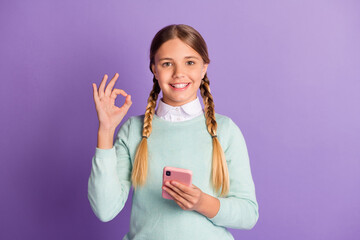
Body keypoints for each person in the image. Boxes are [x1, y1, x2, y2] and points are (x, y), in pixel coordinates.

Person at [88, 24, 259, 240]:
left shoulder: (226, 131)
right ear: (154, 69)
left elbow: (248, 214)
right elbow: (105, 210)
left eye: (190, 62)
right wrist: (106, 131)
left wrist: (201, 202)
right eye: (167, 64)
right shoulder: (133, 131)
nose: (179, 73)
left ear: (204, 68)